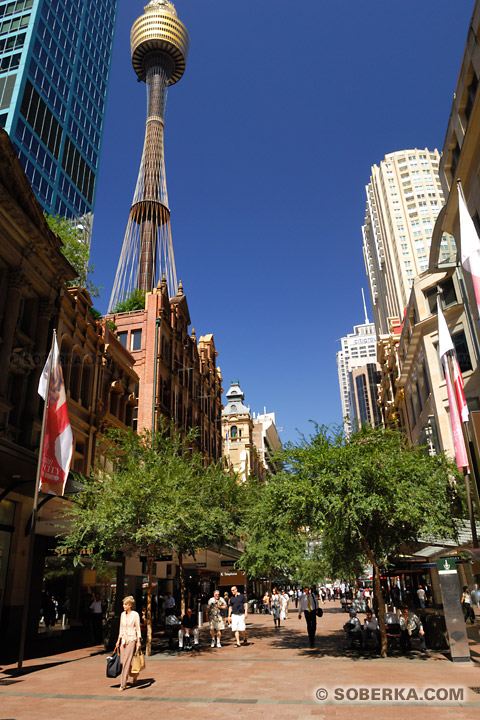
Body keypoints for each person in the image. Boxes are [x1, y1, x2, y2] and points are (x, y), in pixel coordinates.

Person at [115, 596, 141, 691]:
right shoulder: (122, 614)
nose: (123, 606)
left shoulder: (135, 615)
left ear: (130, 605)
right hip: (124, 640)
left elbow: (138, 628)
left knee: (126, 662)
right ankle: (134, 674)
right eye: (123, 604)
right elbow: (121, 628)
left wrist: (138, 641)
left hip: (132, 639)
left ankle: (123, 684)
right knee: (122, 661)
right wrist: (118, 640)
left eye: (125, 604)